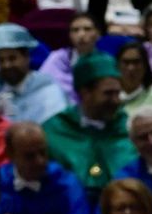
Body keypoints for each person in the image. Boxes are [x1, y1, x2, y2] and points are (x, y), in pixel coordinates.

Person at [41, 53, 135, 203]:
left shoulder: (129, 129)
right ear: (85, 93)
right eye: (108, 94)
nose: (116, 101)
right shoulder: (54, 131)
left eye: (118, 93)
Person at [0, 120, 92, 214]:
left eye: (43, 152)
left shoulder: (67, 184)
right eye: (29, 156)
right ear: (10, 154)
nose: (40, 161)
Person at [0, 24, 66, 126]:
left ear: (27, 57)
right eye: (1, 60)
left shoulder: (46, 86)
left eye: (12, 58)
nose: (6, 65)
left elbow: (56, 125)